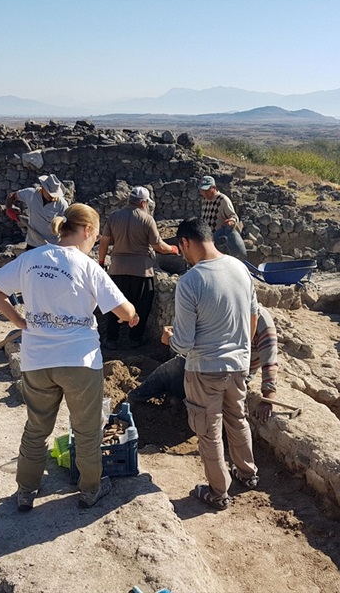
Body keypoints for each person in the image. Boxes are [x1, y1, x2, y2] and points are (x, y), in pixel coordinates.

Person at [0, 203, 140, 512]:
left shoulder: (31, 259)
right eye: (95, 236)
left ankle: (26, 492)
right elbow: (123, 310)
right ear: (88, 230)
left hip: (37, 359)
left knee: (36, 429)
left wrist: (18, 321)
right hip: (79, 361)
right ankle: (90, 491)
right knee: (87, 430)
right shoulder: (87, 265)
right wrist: (131, 316)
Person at [161, 217, 259, 510]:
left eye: (182, 249)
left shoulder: (191, 281)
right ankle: (248, 473)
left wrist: (168, 339)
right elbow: (253, 315)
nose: (184, 255)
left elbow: (184, 342)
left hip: (205, 369)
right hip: (238, 365)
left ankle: (218, 492)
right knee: (237, 419)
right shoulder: (240, 268)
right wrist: (242, 349)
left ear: (186, 242)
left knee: (209, 431)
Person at [130, 306, 279, 424]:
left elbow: (270, 362)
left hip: (237, 374)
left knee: (180, 372)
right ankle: (138, 397)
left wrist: (268, 399)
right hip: (210, 363)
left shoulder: (262, 323)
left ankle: (184, 401)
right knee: (174, 367)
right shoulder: (227, 309)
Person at [97, 186, 179, 350]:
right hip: (141, 271)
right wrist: (172, 249)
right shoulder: (147, 219)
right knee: (141, 306)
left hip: (117, 268)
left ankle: (111, 339)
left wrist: (101, 262)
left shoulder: (114, 216)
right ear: (143, 203)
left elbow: (104, 242)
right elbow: (158, 246)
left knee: (115, 304)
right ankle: (135, 339)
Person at [5, 174, 69, 249]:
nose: (52, 197)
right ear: (43, 188)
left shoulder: (62, 204)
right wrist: (9, 209)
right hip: (33, 243)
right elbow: (12, 196)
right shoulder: (31, 195)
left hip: (52, 245)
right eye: (50, 194)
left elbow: (67, 226)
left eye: (54, 195)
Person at [198, 175, 247, 259]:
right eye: (203, 191)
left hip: (221, 242)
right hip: (209, 240)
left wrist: (231, 221)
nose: (205, 193)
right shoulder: (205, 201)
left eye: (207, 190)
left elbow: (234, 216)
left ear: (214, 187)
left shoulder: (223, 200)